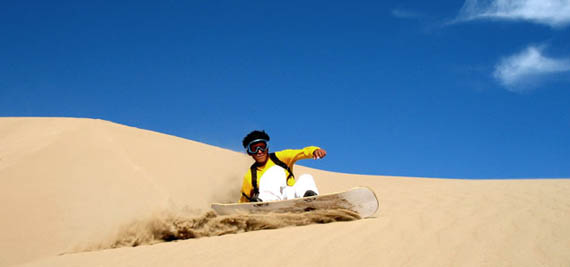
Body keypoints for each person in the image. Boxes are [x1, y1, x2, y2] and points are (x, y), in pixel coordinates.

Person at [239, 130, 327, 203]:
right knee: (275, 170)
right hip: (270, 202)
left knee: (306, 177)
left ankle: (310, 200)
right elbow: (244, 200)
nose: (259, 151)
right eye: (254, 148)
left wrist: (315, 150)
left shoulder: (280, 157)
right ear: (249, 153)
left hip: (291, 198)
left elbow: (302, 152)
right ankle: (266, 202)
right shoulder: (250, 176)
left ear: (267, 148)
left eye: (262, 147)